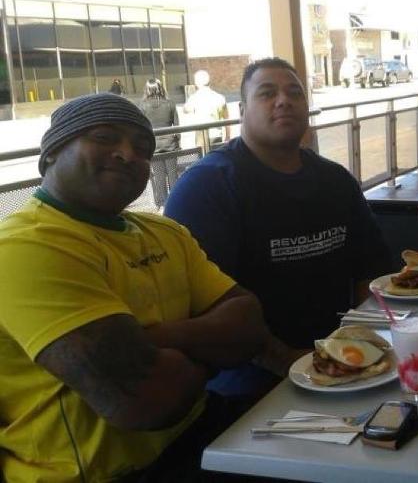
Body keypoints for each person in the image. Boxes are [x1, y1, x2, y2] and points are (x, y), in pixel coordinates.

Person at [0, 93, 299, 482]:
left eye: (142, 148)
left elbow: (249, 326)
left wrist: (157, 339)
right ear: (51, 154)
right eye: (105, 137)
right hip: (102, 474)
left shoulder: (164, 231)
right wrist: (216, 352)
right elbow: (144, 402)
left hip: (201, 428)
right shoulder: (26, 247)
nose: (127, 154)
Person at [164, 57, 392, 400]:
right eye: (267, 93)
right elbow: (206, 307)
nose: (284, 100)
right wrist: (290, 362)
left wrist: (360, 347)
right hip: (248, 383)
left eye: (295, 93)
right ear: (242, 110)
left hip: (345, 366)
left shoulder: (335, 180)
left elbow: (370, 270)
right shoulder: (207, 186)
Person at [137, 78, 180, 207]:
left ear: (147, 89)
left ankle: (162, 203)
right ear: (161, 88)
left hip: (153, 145)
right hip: (170, 144)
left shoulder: (142, 105)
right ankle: (176, 200)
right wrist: (177, 141)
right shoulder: (170, 103)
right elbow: (177, 125)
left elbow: (141, 127)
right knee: (173, 173)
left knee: (158, 175)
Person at [185, 69, 228, 145]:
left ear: (197, 83)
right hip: (217, 135)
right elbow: (226, 118)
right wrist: (228, 135)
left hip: (201, 136)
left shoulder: (194, 98)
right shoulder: (220, 97)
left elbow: (186, 109)